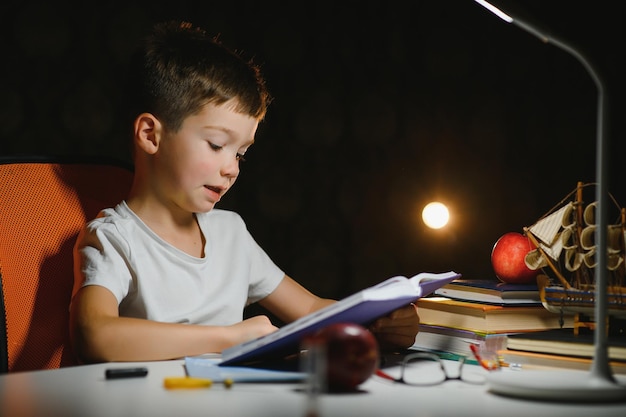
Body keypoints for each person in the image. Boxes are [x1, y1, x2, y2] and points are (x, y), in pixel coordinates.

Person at [69, 20, 419, 364]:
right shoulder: (115, 237)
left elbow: (310, 308)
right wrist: (229, 338)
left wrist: (377, 323)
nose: (232, 168)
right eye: (216, 145)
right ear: (150, 135)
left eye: (240, 153)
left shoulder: (229, 232)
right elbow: (95, 335)